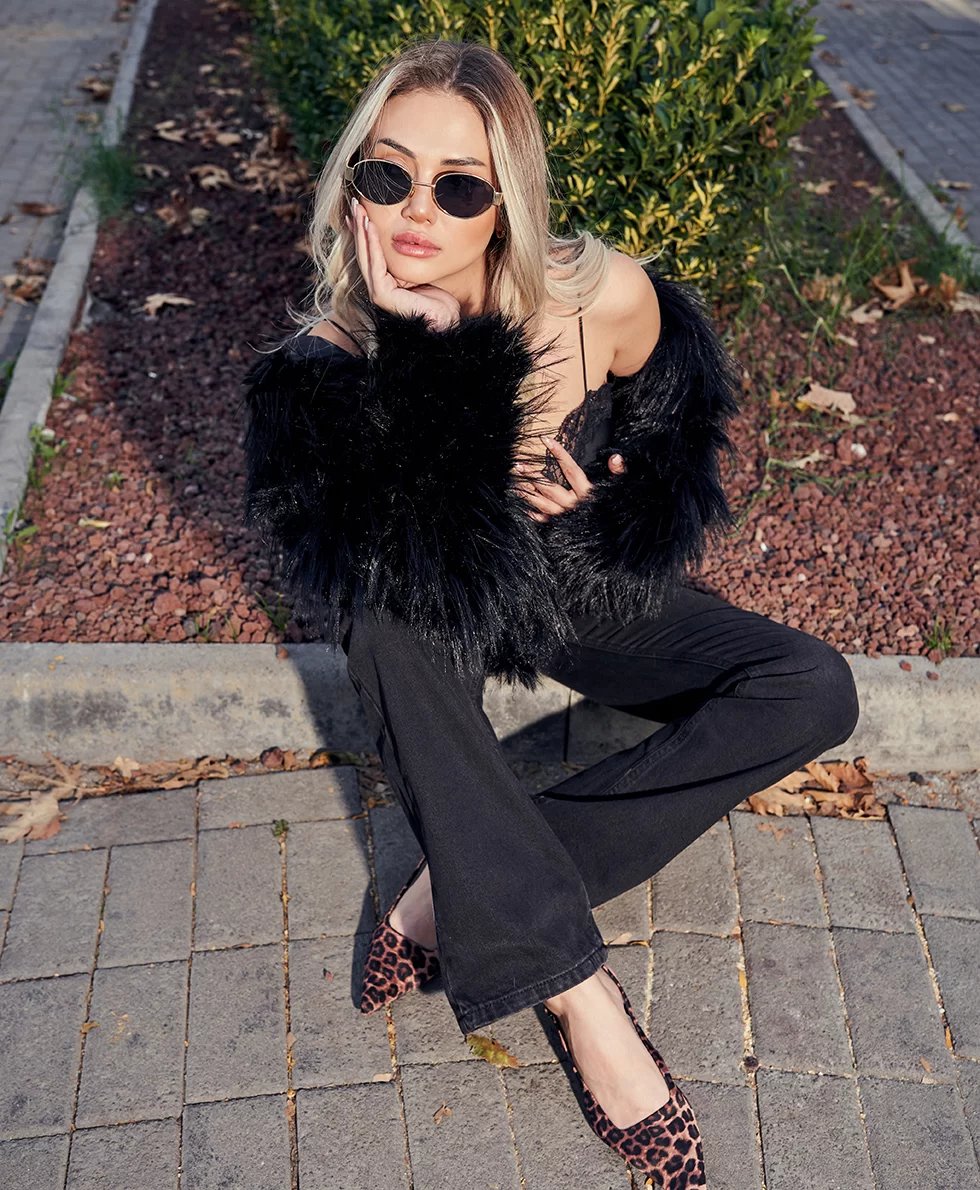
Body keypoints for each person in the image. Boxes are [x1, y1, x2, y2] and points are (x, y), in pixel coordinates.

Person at [240, 37, 860, 1185]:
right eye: (388, 174)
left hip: (571, 587)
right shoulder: (320, 364)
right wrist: (423, 352)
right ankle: (581, 994)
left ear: (505, 205)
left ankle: (451, 892)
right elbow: (396, 566)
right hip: (433, 611)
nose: (416, 209)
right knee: (381, 621)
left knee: (810, 686)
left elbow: (676, 420)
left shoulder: (594, 296)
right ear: (351, 181)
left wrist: (611, 502)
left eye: (457, 187)